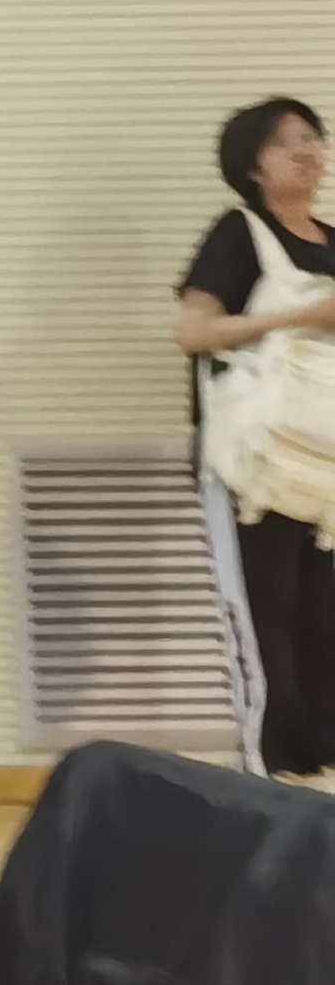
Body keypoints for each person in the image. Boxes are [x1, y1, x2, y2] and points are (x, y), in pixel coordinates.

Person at [177, 97, 335, 776]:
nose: (308, 151)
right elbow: (194, 332)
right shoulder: (240, 234)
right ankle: (268, 782)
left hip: (326, 471)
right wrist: (302, 317)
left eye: (314, 138)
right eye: (287, 142)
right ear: (253, 167)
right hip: (255, 470)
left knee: (324, 629)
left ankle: (322, 785)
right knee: (266, 626)